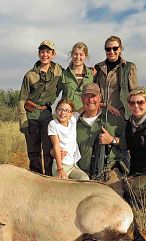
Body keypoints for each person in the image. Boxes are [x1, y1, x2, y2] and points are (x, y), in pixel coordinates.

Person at [18, 40, 63, 175]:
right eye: (42, 52)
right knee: (33, 151)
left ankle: (49, 178)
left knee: (49, 149)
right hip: (31, 114)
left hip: (47, 115)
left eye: (48, 52)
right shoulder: (29, 75)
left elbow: (72, 74)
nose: (45, 55)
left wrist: (89, 70)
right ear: (39, 53)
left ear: (53, 54)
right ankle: (36, 178)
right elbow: (22, 99)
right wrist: (23, 122)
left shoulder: (59, 70)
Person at [76, 83, 127, 195]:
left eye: (93, 96)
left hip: (107, 172)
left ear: (100, 98)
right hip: (81, 175)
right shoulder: (73, 122)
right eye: (86, 96)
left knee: (115, 200)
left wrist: (112, 140)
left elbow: (127, 143)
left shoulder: (114, 118)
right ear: (81, 98)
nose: (90, 100)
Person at [94, 36, 138, 120]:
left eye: (115, 48)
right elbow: (94, 91)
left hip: (121, 115)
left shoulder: (129, 67)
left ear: (120, 49)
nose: (111, 51)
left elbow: (134, 92)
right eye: (108, 49)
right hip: (100, 114)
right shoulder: (98, 67)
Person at [48, 99, 89, 180]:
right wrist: (60, 169)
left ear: (71, 113)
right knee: (64, 189)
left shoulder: (72, 120)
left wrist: (105, 105)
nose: (63, 113)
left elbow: (85, 107)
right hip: (61, 164)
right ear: (56, 110)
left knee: (85, 179)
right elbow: (56, 146)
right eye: (60, 109)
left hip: (73, 165)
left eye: (67, 110)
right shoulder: (53, 124)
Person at [60, 42, 94, 110]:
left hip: (85, 114)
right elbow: (53, 93)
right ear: (72, 55)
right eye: (75, 54)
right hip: (68, 115)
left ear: (85, 56)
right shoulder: (64, 74)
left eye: (81, 54)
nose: (78, 57)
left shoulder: (92, 75)